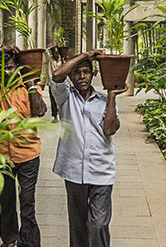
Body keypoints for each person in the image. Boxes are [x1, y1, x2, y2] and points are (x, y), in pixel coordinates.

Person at [49, 50, 126, 247]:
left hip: (101, 170)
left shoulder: (103, 101)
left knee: (98, 223)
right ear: (72, 76)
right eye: (77, 72)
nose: (82, 76)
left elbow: (110, 129)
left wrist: (112, 97)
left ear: (93, 75)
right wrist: (86, 55)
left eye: (86, 72)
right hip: (73, 171)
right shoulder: (65, 97)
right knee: (78, 225)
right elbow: (57, 76)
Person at [0, 46, 47, 247]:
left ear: (19, 68)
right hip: (1, 156)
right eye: (4, 67)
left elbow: (40, 111)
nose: (8, 71)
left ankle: (29, 242)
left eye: (12, 66)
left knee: (27, 202)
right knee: (6, 201)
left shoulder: (29, 88)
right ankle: (9, 239)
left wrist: (29, 81)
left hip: (28, 155)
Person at [46, 46, 65, 123]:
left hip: (61, 83)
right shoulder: (50, 60)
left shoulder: (62, 61)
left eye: (57, 52)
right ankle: (55, 116)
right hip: (52, 83)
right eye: (54, 52)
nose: (55, 54)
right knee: (53, 100)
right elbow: (46, 52)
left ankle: (63, 116)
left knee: (62, 100)